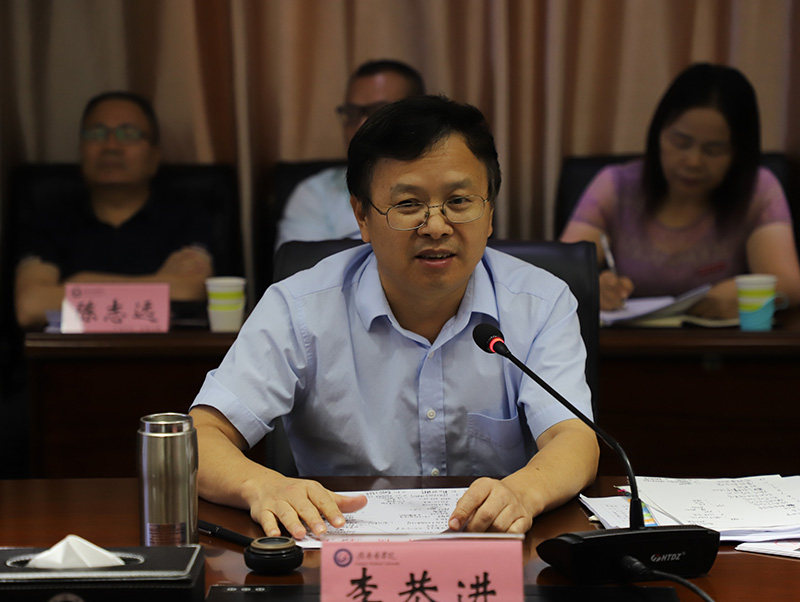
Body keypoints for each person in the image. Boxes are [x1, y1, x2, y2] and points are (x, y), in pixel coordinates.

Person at [190, 95, 599, 540]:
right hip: (342, 553)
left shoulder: (540, 302)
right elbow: (201, 438)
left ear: (489, 213)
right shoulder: (300, 307)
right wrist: (261, 485)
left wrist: (523, 492)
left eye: (459, 201)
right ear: (362, 217)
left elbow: (574, 439)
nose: (436, 226)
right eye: (408, 204)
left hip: (493, 549)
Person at [560, 63, 800, 317]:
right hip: (628, 338)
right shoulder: (616, 185)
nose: (693, 162)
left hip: (718, 339)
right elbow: (558, 270)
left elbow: (791, 285)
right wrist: (592, 287)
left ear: (739, 152)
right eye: (681, 142)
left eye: (714, 150)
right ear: (658, 135)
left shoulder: (757, 190)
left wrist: (742, 293)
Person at [14, 91, 214, 329]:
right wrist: (160, 284)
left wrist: (79, 284)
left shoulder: (189, 218)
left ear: (154, 156)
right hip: (70, 353)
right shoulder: (48, 220)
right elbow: (31, 306)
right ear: (81, 149)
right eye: (96, 133)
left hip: (162, 352)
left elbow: (189, 292)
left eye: (128, 134)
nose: (111, 145)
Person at [274, 59, 425, 249]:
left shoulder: (449, 184)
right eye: (352, 113)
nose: (361, 125)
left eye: (378, 112)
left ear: (419, 117)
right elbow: (299, 265)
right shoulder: (317, 193)